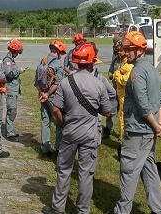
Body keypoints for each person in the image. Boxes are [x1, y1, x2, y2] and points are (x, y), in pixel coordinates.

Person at [42, 43, 112, 214]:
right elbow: (107, 111)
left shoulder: (66, 83)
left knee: (64, 170)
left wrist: (63, 123)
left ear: (75, 62)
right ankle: (83, 210)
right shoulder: (98, 84)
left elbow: (56, 108)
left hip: (70, 133)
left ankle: (58, 208)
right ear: (92, 62)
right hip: (90, 134)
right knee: (86, 174)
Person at [114, 31, 161, 214]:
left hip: (137, 132)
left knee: (128, 171)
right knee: (149, 169)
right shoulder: (153, 69)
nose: (125, 53)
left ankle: (122, 211)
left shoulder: (137, 72)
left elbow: (143, 105)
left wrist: (156, 126)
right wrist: (158, 126)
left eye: (129, 50)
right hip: (149, 132)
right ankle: (157, 209)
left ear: (139, 50)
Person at [35, 40, 67, 158]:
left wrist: (42, 93)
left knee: (45, 121)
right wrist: (48, 94)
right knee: (60, 122)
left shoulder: (42, 61)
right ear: (58, 52)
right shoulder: (58, 64)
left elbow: (36, 81)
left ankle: (45, 148)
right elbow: (57, 83)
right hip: (52, 97)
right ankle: (58, 149)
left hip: (42, 95)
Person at [2, 39, 27, 141]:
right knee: (11, 111)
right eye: (17, 52)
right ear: (13, 51)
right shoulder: (7, 61)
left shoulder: (11, 60)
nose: (17, 54)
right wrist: (19, 71)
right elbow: (9, 74)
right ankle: (9, 133)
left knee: (13, 111)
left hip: (14, 89)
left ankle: (10, 130)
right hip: (11, 89)